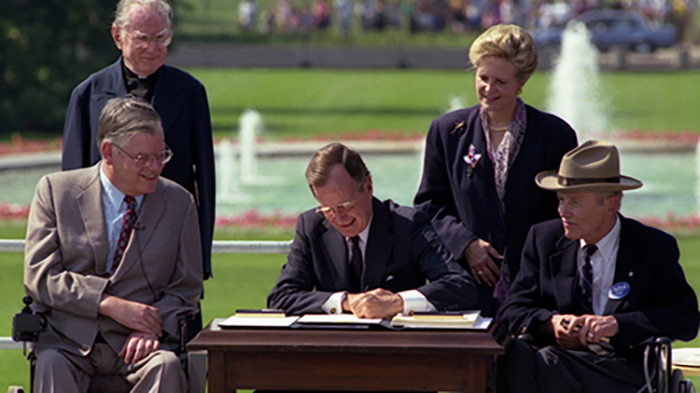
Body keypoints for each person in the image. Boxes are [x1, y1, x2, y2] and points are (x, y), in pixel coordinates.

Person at [25, 97, 203, 392]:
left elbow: (186, 287)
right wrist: (108, 305)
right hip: (70, 341)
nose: (155, 167)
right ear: (109, 152)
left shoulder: (179, 202)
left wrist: (150, 326)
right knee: (51, 364)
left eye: (161, 155)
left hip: (142, 345)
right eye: (142, 158)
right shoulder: (56, 192)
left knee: (166, 367)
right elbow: (40, 277)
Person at [498, 140, 700, 393]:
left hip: (621, 369)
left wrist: (617, 324)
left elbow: (685, 318)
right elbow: (512, 311)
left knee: (543, 362)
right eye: (561, 200)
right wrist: (554, 322)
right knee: (517, 353)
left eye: (574, 202)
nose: (563, 211)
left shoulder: (652, 247)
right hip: (556, 362)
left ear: (610, 206)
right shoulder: (544, 239)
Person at [413, 23, 577, 316]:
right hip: (465, 288)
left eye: (500, 81)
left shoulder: (555, 135)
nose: (488, 89)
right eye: (483, 77)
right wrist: (466, 244)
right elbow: (429, 206)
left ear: (521, 83)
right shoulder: (446, 132)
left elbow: (565, 211)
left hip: (536, 291)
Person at [61, 0, 215, 281]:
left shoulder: (191, 92)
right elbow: (71, 184)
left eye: (161, 38)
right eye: (142, 39)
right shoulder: (86, 95)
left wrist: (200, 259)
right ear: (118, 36)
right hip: (102, 249)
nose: (152, 48)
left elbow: (205, 179)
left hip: (170, 242)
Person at [267, 143, 476, 318]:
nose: (339, 219)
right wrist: (345, 301)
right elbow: (281, 298)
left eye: (345, 205)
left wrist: (396, 303)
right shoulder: (311, 225)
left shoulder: (408, 225)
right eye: (328, 209)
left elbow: (460, 287)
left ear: (368, 186)